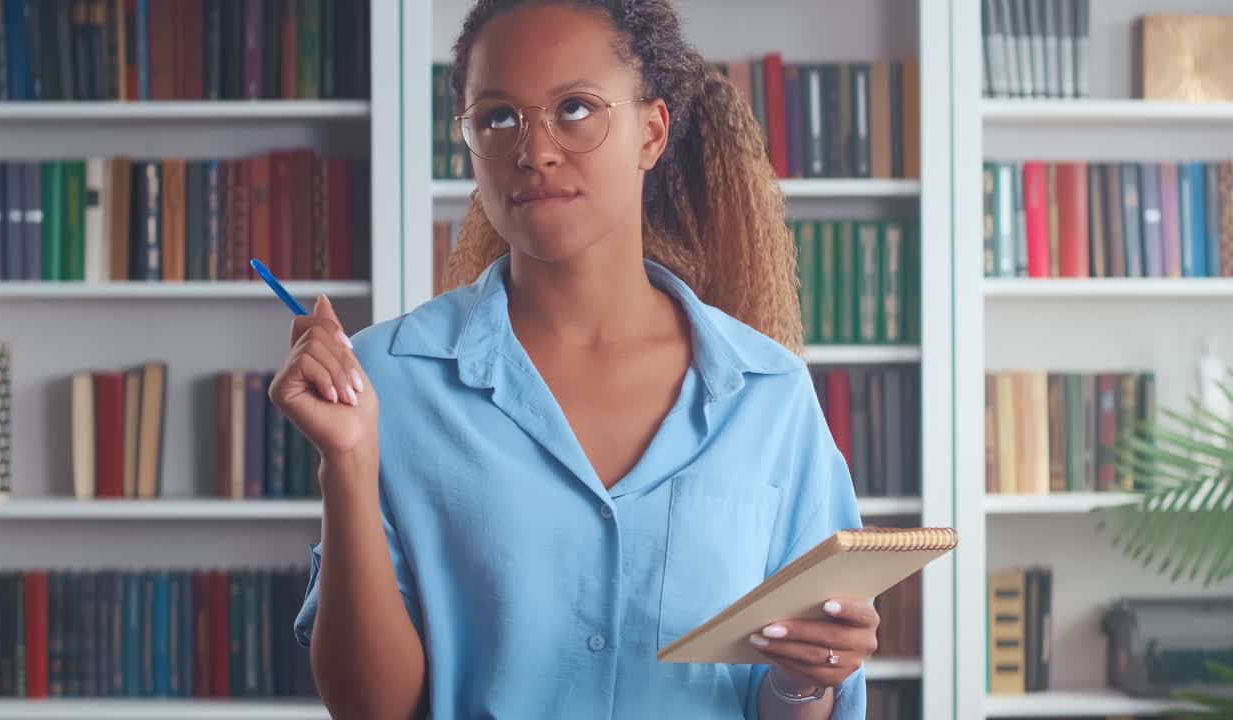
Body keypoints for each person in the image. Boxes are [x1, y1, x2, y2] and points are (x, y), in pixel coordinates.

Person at [271, 1, 879, 718]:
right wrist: (345, 463)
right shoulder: (385, 381)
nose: (534, 151)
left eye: (576, 108)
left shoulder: (769, 393)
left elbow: (790, 698)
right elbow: (373, 711)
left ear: (652, 131)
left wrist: (805, 677)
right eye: (498, 118)